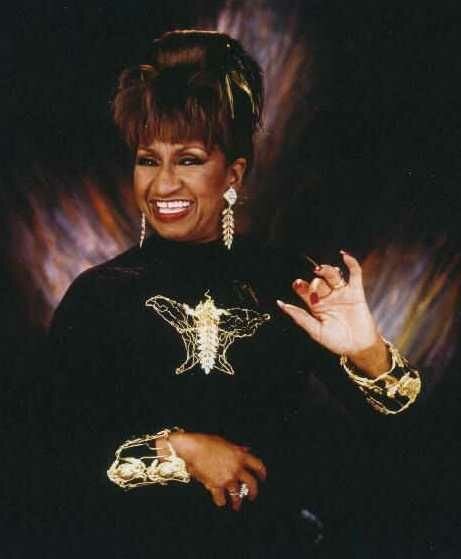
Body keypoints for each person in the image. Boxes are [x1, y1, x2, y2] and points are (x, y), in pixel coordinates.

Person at [46, 30, 421, 558]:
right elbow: (48, 461)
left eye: (189, 159)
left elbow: (414, 448)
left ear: (233, 174)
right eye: (148, 159)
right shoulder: (97, 297)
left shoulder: (287, 282)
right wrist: (180, 451)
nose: (163, 185)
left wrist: (367, 352)